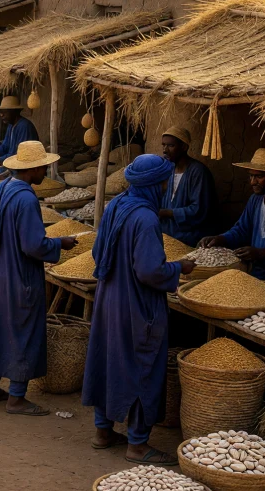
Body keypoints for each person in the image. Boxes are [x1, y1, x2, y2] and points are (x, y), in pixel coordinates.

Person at [83, 154, 194, 465]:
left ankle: (103, 432)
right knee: (142, 366)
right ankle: (137, 444)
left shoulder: (117, 205)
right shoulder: (145, 218)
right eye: (163, 182)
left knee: (110, 361)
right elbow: (149, 271)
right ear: (154, 184)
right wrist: (178, 267)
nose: (164, 187)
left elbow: (97, 250)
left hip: (109, 299)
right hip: (136, 305)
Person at [0, 141, 78, 416]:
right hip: (18, 272)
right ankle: (17, 397)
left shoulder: (2, 188)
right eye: (44, 168)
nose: (46, 173)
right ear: (34, 169)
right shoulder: (26, 198)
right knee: (22, 329)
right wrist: (59, 244)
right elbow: (33, 245)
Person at [200, 148, 265, 280]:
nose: (252, 182)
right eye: (251, 175)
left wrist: (262, 253)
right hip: (254, 273)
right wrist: (220, 239)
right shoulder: (255, 199)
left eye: (259, 176)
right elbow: (241, 229)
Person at [158, 126, 217, 246]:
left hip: (191, 237)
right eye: (163, 145)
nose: (165, 150)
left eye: (170, 145)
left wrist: (166, 213)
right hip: (168, 236)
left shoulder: (198, 172)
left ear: (184, 147)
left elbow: (199, 210)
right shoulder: (168, 170)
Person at [0, 96, 39, 162]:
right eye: (0, 112)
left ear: (15, 112)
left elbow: (19, 156)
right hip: (13, 163)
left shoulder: (24, 127)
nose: (1, 115)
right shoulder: (11, 126)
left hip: (26, 167)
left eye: (5, 112)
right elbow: (4, 147)